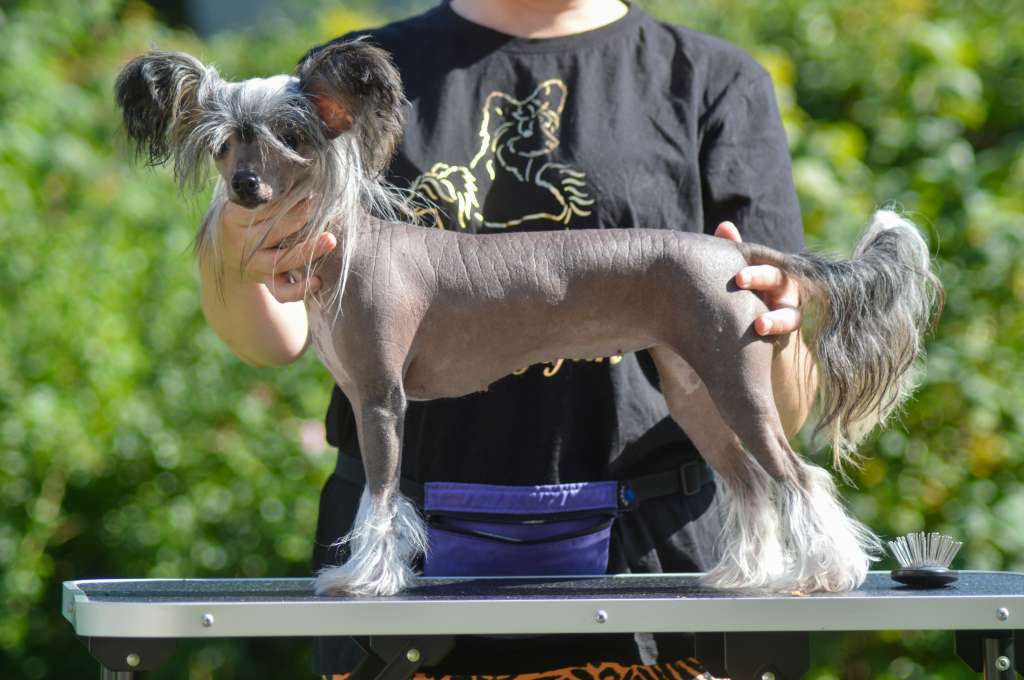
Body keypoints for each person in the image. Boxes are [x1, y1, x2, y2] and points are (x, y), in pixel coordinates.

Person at [198, 1, 816, 677]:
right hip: (406, 575)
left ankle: (801, 535)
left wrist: (773, 334)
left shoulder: (713, 80)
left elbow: (784, 404)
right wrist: (232, 253)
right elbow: (276, 339)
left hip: (657, 564)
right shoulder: (352, 80)